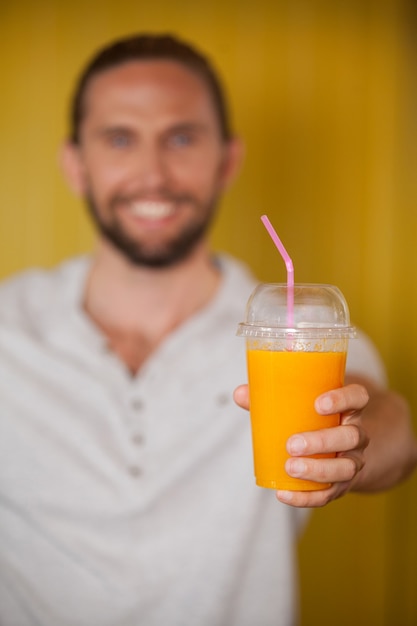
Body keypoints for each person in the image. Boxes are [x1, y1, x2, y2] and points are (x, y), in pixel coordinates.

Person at [0, 33, 416, 626]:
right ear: (76, 164)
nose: (153, 172)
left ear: (227, 161)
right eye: (120, 138)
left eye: (182, 137)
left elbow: (392, 429)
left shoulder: (296, 328)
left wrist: (354, 443)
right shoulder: (6, 328)